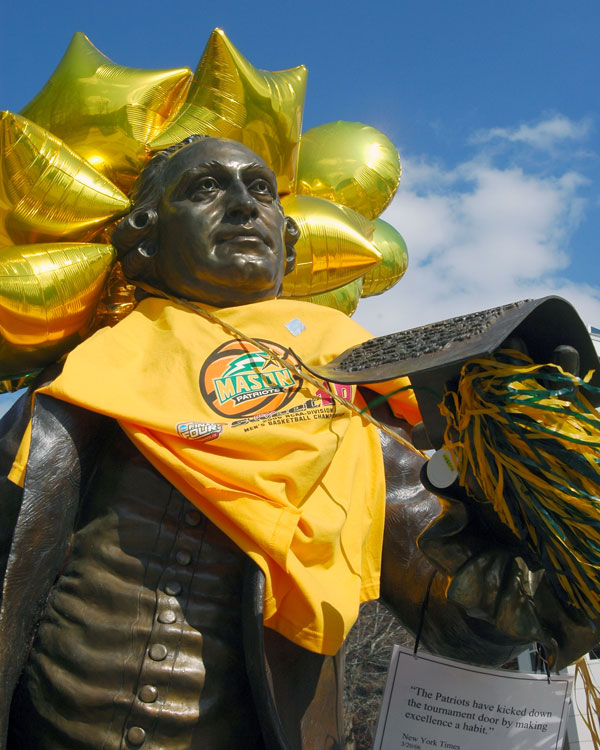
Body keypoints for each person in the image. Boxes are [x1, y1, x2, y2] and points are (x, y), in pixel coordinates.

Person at [0, 136, 596, 750]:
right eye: (205, 188)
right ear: (144, 239)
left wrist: (563, 502)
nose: (242, 206)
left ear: (287, 245)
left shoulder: (343, 391)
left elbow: (464, 602)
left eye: (260, 190)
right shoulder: (84, 382)